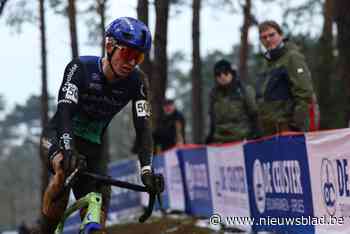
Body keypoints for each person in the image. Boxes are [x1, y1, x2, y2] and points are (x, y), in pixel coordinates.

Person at [38, 17, 156, 234]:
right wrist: (67, 148)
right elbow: (64, 112)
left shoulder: (137, 81)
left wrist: (147, 169)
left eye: (138, 56)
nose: (131, 62)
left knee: (98, 221)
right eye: (127, 53)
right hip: (59, 136)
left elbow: (144, 128)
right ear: (109, 46)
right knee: (63, 171)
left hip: (94, 149)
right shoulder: (80, 68)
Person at [256, 20, 319, 136]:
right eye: (264, 37)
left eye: (272, 35)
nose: (268, 39)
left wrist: (295, 126)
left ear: (281, 35)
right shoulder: (265, 64)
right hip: (269, 130)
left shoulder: (292, 57)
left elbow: (304, 94)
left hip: (288, 128)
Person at [206, 59, 258, 144]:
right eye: (218, 74)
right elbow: (213, 119)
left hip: (242, 140)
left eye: (225, 72)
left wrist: (255, 135)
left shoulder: (244, 90)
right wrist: (210, 136)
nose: (222, 76)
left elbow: (254, 114)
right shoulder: (214, 94)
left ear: (231, 73)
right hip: (220, 142)